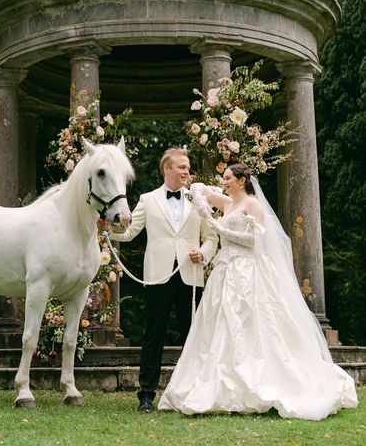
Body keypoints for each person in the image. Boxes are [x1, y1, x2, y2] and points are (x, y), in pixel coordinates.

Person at [158, 163, 358, 420]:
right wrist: (196, 191)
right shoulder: (227, 202)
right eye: (223, 178)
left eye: (228, 178)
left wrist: (216, 226)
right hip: (225, 271)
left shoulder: (252, 205)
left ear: (242, 181)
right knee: (222, 326)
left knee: (252, 324)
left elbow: (255, 241)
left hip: (248, 271)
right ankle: (223, 383)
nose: (224, 182)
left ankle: (257, 381)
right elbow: (201, 191)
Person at [110, 148, 218, 413]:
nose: (187, 172)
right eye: (182, 167)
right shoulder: (148, 199)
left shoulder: (198, 199)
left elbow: (212, 237)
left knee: (192, 335)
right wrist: (107, 229)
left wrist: (202, 254)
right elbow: (130, 232)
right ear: (166, 168)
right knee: (153, 335)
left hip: (190, 274)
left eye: (188, 167)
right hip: (158, 275)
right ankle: (146, 394)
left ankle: (195, 391)